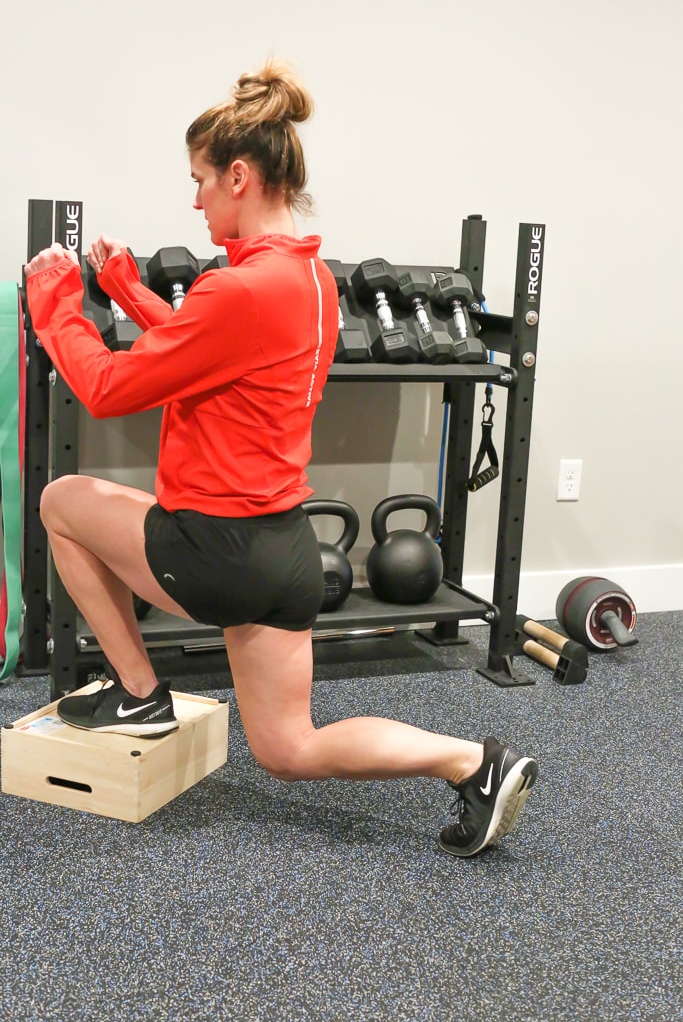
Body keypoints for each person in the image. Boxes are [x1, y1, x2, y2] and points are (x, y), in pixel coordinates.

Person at [24, 59, 537, 858]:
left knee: (62, 499)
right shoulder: (308, 281)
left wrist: (55, 299)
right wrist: (127, 292)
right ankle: (470, 760)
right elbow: (207, 356)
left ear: (238, 175)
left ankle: (139, 693)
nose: (193, 201)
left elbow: (107, 388)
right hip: (285, 549)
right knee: (287, 747)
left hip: (212, 551)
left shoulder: (237, 289)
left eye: (198, 181)